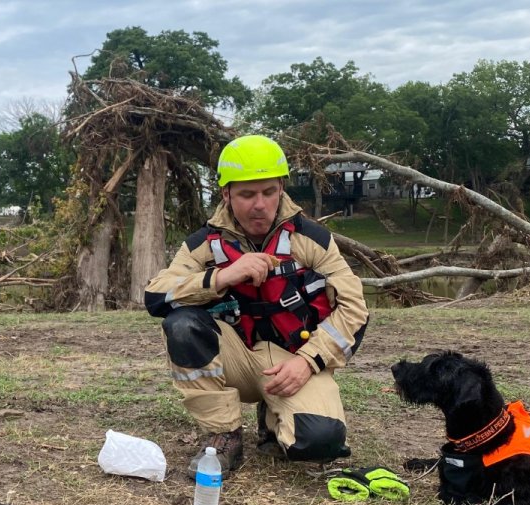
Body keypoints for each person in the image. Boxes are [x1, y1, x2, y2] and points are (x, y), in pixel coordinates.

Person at [144, 134, 369, 478]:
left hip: (294, 358)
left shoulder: (313, 239)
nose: (259, 204)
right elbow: (156, 295)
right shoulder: (203, 244)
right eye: (247, 194)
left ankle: (272, 418)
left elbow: (354, 309)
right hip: (235, 354)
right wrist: (221, 277)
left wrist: (308, 362)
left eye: (268, 192)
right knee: (182, 324)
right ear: (226, 194)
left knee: (320, 442)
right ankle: (224, 433)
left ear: (281, 187)